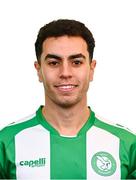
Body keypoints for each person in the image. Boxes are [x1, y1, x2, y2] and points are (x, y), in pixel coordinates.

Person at [0, 19, 136, 180]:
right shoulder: (7, 142)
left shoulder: (126, 144)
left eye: (76, 62)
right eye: (53, 63)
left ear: (91, 69)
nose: (65, 72)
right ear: (39, 70)